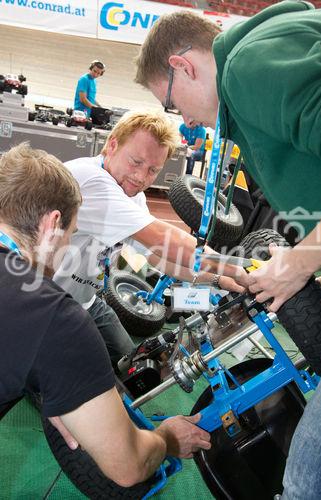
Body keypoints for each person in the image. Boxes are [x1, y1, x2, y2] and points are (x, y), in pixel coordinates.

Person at [134, 2, 321, 498]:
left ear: (184, 66)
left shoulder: (248, 68)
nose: (187, 119)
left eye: (173, 104)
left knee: (308, 480)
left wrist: (303, 261)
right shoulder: (267, 55)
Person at [0, 142, 211, 490]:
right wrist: (167, 439)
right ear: (53, 224)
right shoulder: (53, 316)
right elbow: (128, 466)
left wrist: (50, 377)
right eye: (72, 233)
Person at [54, 111, 249, 364]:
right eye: (135, 162)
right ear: (112, 145)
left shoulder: (134, 196)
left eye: (152, 170)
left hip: (85, 301)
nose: (141, 177)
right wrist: (240, 270)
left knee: (131, 363)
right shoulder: (90, 179)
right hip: (45, 301)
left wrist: (220, 279)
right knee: (68, 380)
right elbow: (163, 239)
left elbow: (158, 259)